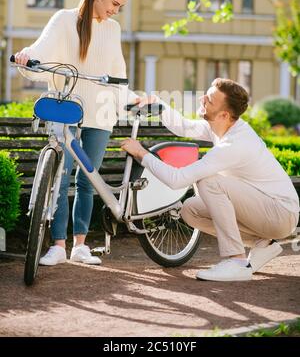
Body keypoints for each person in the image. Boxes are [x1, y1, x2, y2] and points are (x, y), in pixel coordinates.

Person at [121, 78, 299, 282]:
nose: (201, 99)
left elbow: (177, 179)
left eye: (209, 100)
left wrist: (142, 154)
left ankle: (236, 261)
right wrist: (159, 105)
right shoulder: (224, 125)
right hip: (264, 210)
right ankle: (263, 244)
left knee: (208, 180)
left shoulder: (234, 143)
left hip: (281, 213)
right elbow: (185, 128)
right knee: (190, 210)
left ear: (224, 114)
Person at [15, 0, 134, 266]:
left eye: (120, 7)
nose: (115, 11)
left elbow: (118, 71)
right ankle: (57, 245)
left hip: (101, 111)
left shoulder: (113, 29)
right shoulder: (64, 20)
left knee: (87, 180)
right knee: (60, 176)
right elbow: (40, 51)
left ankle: (80, 244)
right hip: (67, 107)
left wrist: (129, 99)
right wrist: (26, 57)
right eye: (113, 3)